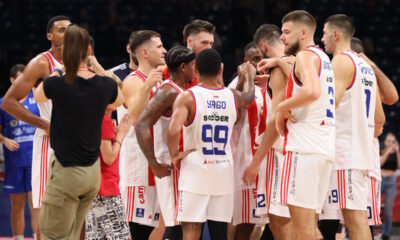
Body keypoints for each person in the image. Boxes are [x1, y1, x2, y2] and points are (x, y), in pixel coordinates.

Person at [33, 24, 124, 240]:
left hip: (66, 172)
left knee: (53, 235)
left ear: (65, 53)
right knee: (74, 233)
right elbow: (120, 97)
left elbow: (38, 95)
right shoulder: (104, 85)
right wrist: (97, 66)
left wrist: (61, 68)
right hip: (92, 175)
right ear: (89, 52)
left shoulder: (57, 83)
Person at [167, 48, 256, 240]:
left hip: (196, 169)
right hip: (223, 171)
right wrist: (249, 76)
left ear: (196, 69)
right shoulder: (232, 96)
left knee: (191, 229)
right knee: (220, 232)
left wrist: (174, 154)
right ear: (220, 70)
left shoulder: (188, 97)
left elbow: (173, 129)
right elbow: (249, 97)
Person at [1, 15, 71, 239]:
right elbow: (8, 102)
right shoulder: (42, 63)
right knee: (44, 208)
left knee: (78, 208)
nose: (67, 34)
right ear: (50, 35)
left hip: (78, 142)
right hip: (50, 143)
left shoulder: (83, 61)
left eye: (70, 30)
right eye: (61, 30)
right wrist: (44, 124)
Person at [270, 10, 336, 240]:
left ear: (304, 32)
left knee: (302, 230)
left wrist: (281, 107)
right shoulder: (323, 58)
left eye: (287, 32)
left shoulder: (305, 56)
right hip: (322, 148)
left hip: (302, 149)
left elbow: (311, 90)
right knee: (309, 228)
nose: (281, 37)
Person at [321, 14, 385, 240]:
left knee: (354, 222)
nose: (322, 39)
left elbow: (331, 104)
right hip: (361, 153)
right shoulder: (365, 66)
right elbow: (379, 118)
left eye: (325, 34)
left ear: (336, 34)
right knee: (354, 222)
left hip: (344, 153)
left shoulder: (340, 61)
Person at [135, 46, 196, 240]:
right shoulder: (167, 91)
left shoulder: (182, 90)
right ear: (183, 67)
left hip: (182, 163)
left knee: (185, 222)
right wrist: (154, 164)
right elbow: (141, 125)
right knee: (175, 223)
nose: (196, 69)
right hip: (169, 164)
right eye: (193, 65)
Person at [243, 23, 294, 240]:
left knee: (280, 222)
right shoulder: (299, 61)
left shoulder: (278, 70)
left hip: (281, 152)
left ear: (262, 46)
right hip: (304, 148)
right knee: (298, 222)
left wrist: (255, 162)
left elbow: (276, 120)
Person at [121, 30, 166, 239]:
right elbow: (135, 118)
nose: (164, 50)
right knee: (137, 229)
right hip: (138, 168)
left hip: (156, 161)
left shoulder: (160, 80)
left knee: (160, 226)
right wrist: (147, 86)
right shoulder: (133, 80)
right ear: (145, 53)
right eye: (159, 47)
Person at [227, 41, 268, 240]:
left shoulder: (273, 82)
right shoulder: (235, 84)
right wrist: (247, 79)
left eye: (262, 59)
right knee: (244, 224)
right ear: (245, 62)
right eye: (255, 60)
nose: (259, 64)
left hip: (269, 163)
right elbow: (234, 114)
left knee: (270, 223)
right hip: (245, 163)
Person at [85, 77, 132, 240]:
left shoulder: (95, 118)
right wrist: (121, 135)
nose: (120, 96)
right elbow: (109, 157)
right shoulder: (103, 120)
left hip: (94, 189)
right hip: (106, 190)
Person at [0, 64, 40, 240]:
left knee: (35, 205)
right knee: (17, 205)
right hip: (14, 161)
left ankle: (37, 236)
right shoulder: (3, 103)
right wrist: (4, 140)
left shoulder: (37, 99)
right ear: (12, 81)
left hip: (34, 159)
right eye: (20, 79)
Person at [163, 19, 216, 88]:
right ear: (189, 41)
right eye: (204, 43)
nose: (209, 48)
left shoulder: (212, 69)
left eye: (211, 44)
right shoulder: (170, 67)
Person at [380, 133, 400, 239]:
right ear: (385, 142)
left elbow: (399, 166)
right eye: (389, 141)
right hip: (380, 178)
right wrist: (388, 151)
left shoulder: (397, 151)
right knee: (374, 205)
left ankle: (386, 234)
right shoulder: (381, 148)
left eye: (393, 141)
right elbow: (380, 163)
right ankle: (373, 229)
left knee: (388, 209)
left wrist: (397, 151)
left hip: (391, 180)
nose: (391, 143)